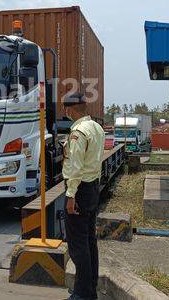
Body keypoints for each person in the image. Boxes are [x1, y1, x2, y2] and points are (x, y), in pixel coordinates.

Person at [62, 92, 105, 300]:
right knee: (89, 242)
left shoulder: (78, 131)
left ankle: (82, 294)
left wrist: (71, 196)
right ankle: (89, 289)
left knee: (78, 245)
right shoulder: (97, 128)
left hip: (79, 191)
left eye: (65, 109)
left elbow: (75, 167)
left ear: (70, 109)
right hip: (92, 188)